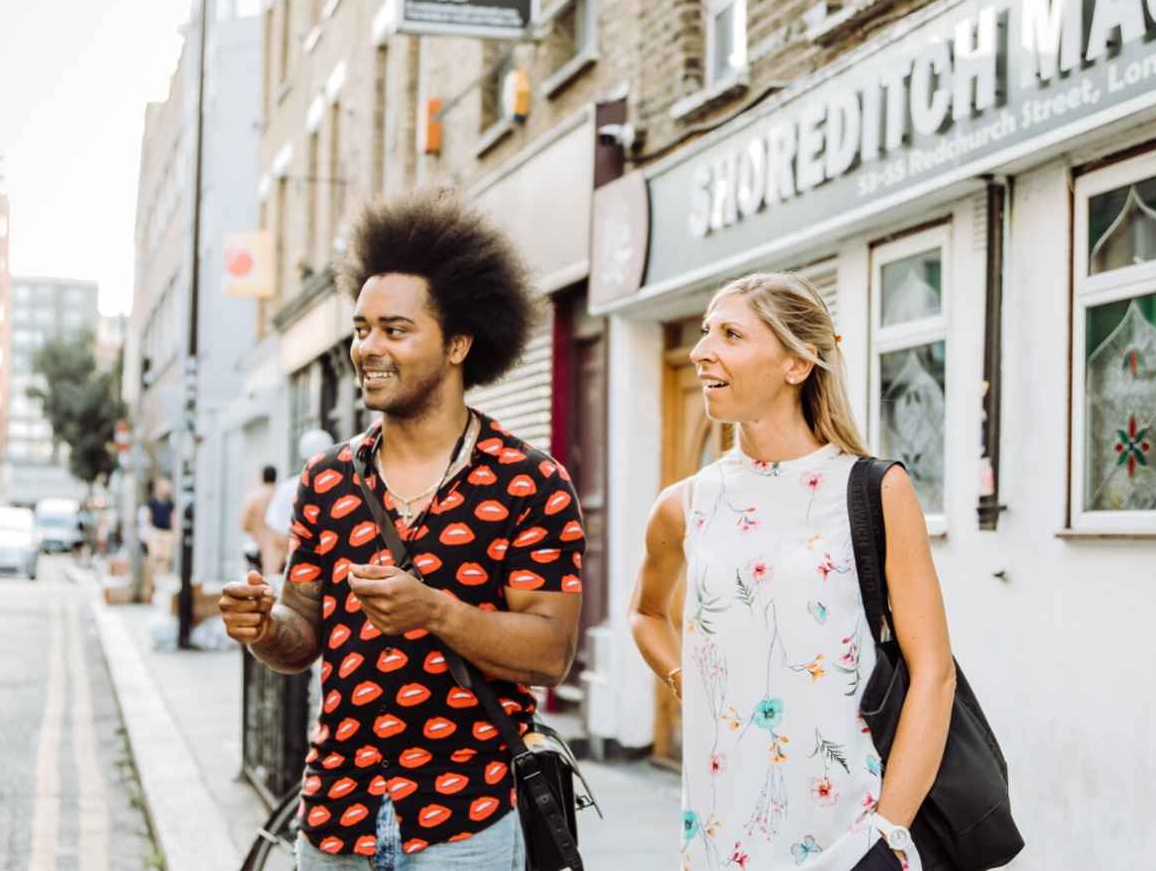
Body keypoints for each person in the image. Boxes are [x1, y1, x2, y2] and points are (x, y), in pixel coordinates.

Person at [219, 188, 585, 871]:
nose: (368, 349)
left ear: (457, 344)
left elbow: (549, 652)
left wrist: (435, 612)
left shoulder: (528, 483)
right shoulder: (326, 482)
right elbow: (303, 638)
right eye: (360, 329)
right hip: (333, 820)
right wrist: (264, 628)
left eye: (395, 329)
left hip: (466, 826)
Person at [628, 274, 957, 871]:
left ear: (797, 364)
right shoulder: (685, 504)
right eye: (706, 332)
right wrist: (685, 678)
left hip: (849, 835)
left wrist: (887, 835)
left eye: (730, 334)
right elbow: (644, 612)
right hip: (717, 835)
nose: (703, 351)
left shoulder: (874, 489)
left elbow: (933, 672)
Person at [137, 478, 175, 603]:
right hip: (155, 532)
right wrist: (150, 534)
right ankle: (148, 592)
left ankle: (161, 591)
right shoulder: (152, 503)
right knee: (152, 561)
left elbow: (173, 518)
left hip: (166, 533)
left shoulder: (170, 504)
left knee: (165, 562)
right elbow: (148, 518)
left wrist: (174, 533)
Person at [240, 464, 282, 576]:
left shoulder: (253, 498)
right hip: (280, 550)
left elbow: (244, 525)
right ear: (275, 477)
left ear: (262, 477)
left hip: (258, 546)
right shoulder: (281, 495)